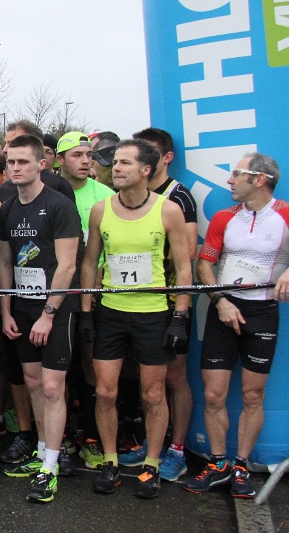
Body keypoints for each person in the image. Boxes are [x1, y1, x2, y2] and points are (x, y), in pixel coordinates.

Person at [79, 139, 192, 499]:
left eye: (125, 163)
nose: (116, 168)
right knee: (105, 391)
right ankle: (110, 461)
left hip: (153, 314)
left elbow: (184, 267)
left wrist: (180, 315)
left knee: (153, 393)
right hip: (111, 312)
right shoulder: (101, 210)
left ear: (146, 170)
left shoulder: (168, 210)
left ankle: (152, 465)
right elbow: (90, 261)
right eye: (115, 162)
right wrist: (86, 310)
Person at [185, 153, 289, 499]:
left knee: (252, 395)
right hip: (224, 310)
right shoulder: (224, 217)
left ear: (259, 179)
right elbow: (205, 265)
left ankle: (241, 466)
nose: (229, 181)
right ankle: (219, 463)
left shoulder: (288, 214)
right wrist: (220, 301)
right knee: (213, 394)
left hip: (263, 313)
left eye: (236, 174)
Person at [0, 135, 83, 503]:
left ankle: (51, 466)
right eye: (11, 162)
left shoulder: (59, 206)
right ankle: (44, 451)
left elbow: (67, 265)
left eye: (23, 162)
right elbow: (4, 262)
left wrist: (48, 313)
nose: (15, 168)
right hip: (22, 306)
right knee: (32, 382)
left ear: (41, 165)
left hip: (55, 310)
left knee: (51, 387)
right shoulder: (8, 208)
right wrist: (6, 311)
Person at [120, 127, 199, 482]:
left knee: (174, 376)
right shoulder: (126, 196)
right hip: (134, 302)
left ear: (162, 159)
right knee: (147, 379)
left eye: (148, 153)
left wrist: (179, 308)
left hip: (168, 300)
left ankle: (178, 449)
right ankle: (153, 443)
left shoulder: (177, 196)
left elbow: (188, 253)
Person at [55, 131, 114, 469]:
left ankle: (92, 438)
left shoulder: (105, 195)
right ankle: (60, 439)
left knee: (92, 368)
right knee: (59, 370)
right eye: (77, 155)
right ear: (59, 160)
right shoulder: (50, 193)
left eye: (88, 155)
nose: (85, 161)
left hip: (95, 292)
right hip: (60, 291)